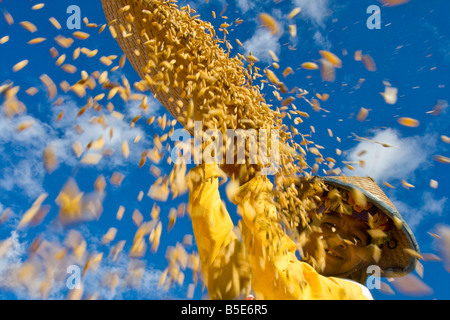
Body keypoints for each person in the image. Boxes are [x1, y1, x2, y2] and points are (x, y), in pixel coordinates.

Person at [187, 162, 419, 300]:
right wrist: (206, 172)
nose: (338, 239)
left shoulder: (357, 295)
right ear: (307, 228)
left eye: (356, 239)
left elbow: (287, 285)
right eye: (329, 225)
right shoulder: (256, 279)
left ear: (367, 259)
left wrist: (253, 186)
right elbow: (218, 249)